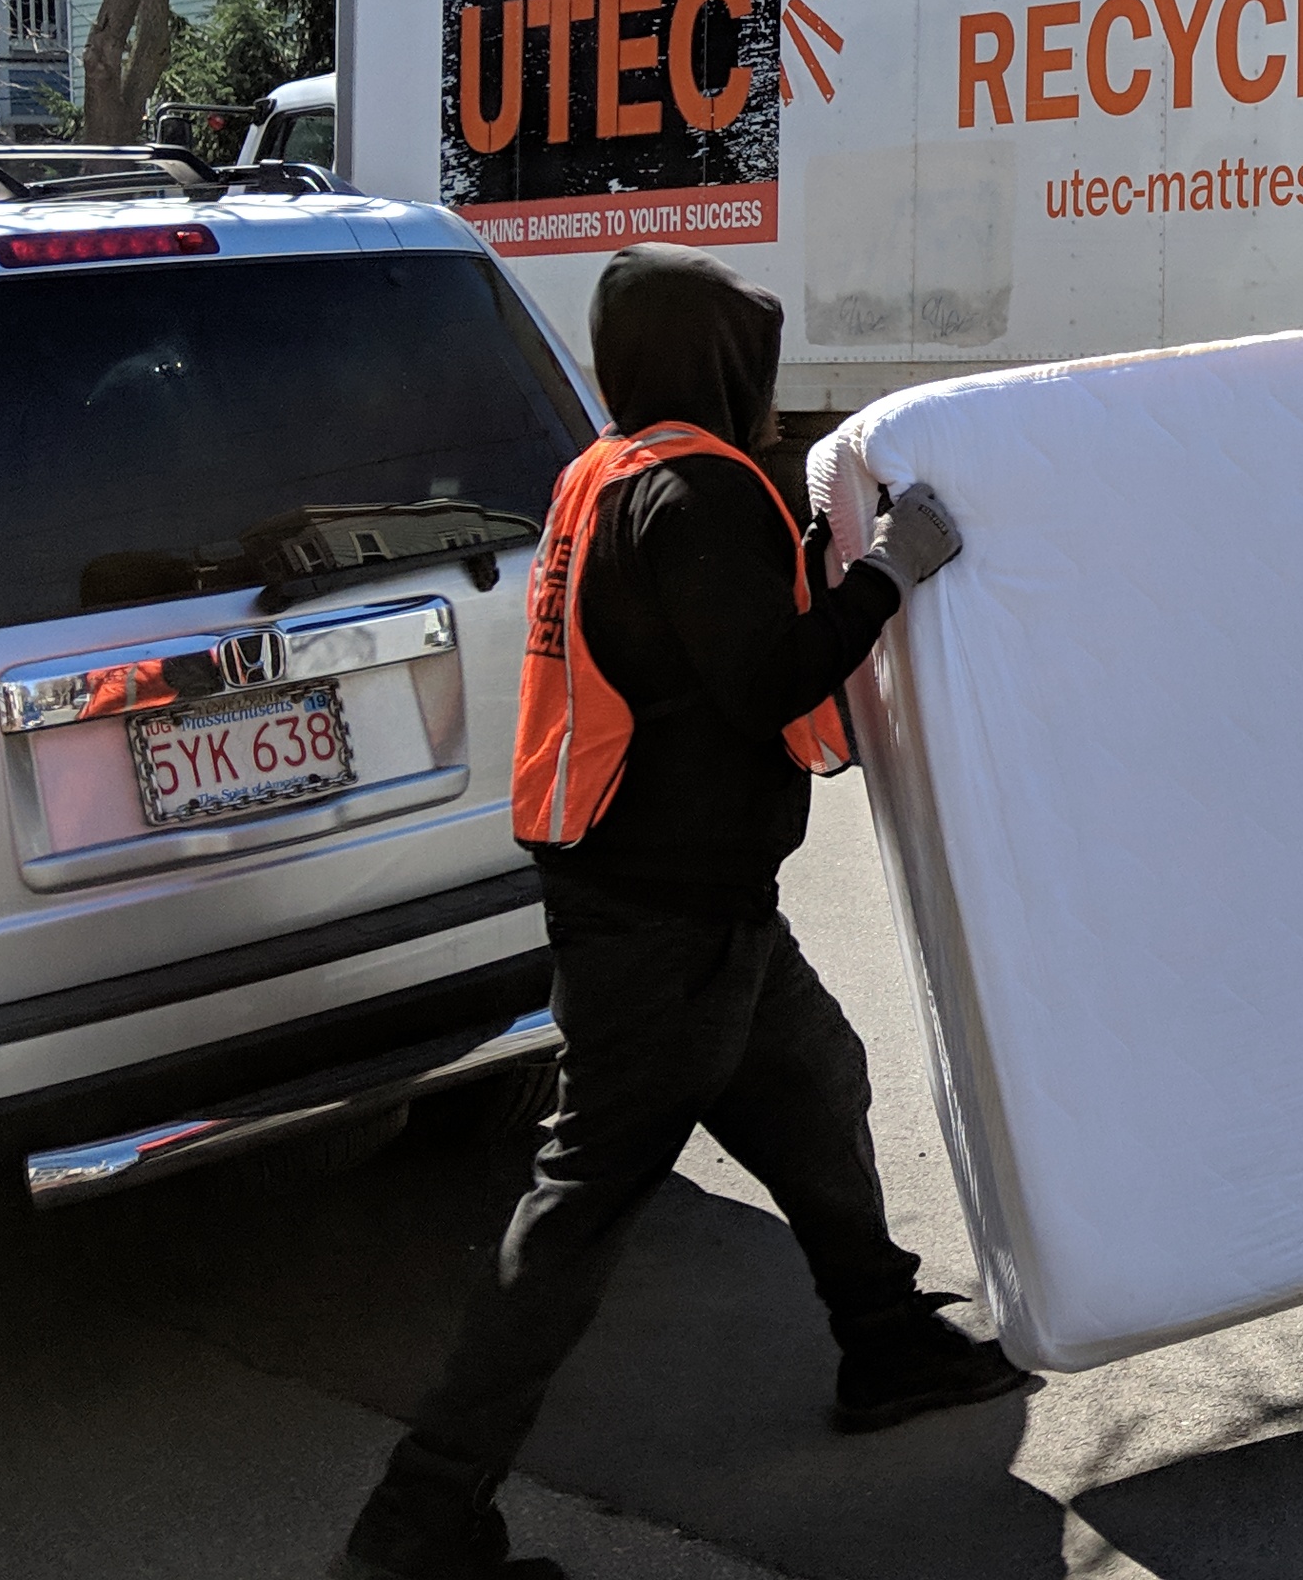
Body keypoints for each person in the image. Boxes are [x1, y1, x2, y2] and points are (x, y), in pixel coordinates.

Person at [340, 245, 1025, 1580]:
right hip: (664, 930)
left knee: (817, 1083)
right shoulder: (696, 490)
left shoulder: (609, 472)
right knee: (578, 1218)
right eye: (746, 361)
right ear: (708, 364)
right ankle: (415, 1529)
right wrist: (893, 571)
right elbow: (770, 675)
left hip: (685, 907)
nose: (765, 387)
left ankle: (884, 1342)